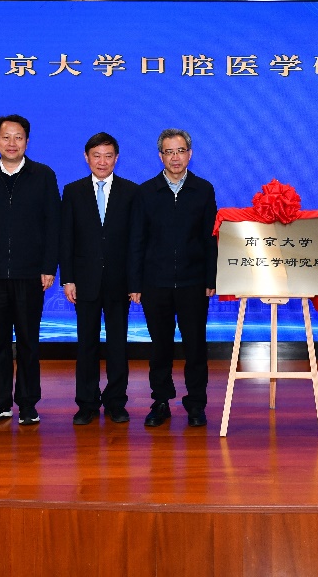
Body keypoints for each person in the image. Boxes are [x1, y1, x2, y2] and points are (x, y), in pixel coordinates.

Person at [0, 115, 61, 427]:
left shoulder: (43, 175)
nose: (12, 143)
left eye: (18, 137)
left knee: (29, 343)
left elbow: (53, 225)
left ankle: (28, 404)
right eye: (6, 137)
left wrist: (48, 266)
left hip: (31, 274)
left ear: (27, 141)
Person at [127, 129, 218, 428]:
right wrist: (135, 284)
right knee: (160, 347)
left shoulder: (203, 189)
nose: (175, 157)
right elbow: (136, 240)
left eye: (180, 151)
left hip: (194, 282)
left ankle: (196, 404)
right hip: (155, 283)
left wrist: (211, 278)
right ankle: (161, 401)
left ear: (190, 154)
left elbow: (210, 238)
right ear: (160, 156)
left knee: (196, 347)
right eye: (169, 152)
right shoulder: (145, 192)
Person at [60, 132, 138, 425]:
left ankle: (116, 402)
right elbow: (66, 238)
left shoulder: (131, 192)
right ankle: (87, 403)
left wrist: (135, 283)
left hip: (120, 283)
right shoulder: (73, 191)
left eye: (108, 156)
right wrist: (68, 278)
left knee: (118, 345)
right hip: (84, 282)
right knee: (86, 345)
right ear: (86, 157)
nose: (102, 162)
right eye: (96, 155)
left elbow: (136, 242)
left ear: (116, 158)